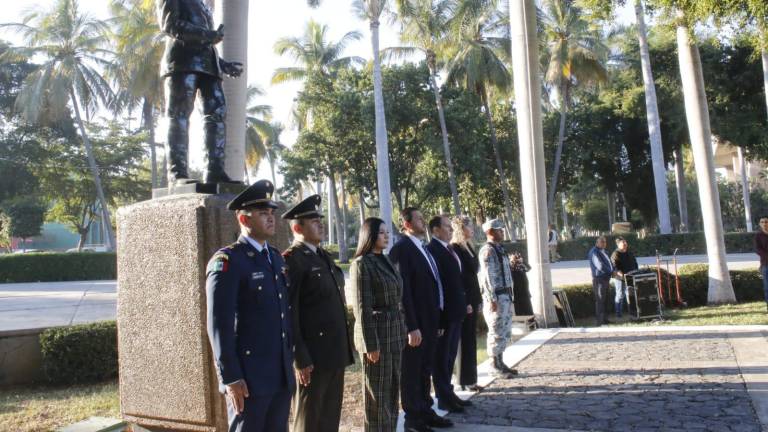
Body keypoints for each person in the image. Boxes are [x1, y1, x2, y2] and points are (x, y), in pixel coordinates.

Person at [205, 179, 293, 432]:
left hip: (279, 375)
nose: (270, 218)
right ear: (244, 220)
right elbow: (219, 324)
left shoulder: (275, 258)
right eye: (263, 213)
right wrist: (230, 377)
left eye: (271, 213)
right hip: (249, 379)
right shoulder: (229, 261)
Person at [282, 195, 354, 432]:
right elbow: (290, 313)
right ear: (297, 227)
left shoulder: (322, 256)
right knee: (308, 419)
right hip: (312, 357)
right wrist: (299, 357)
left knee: (329, 417)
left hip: (334, 352)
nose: (321, 224)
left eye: (320, 220)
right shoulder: (293, 260)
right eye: (313, 221)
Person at [158, 0, 243, 184]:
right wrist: (207, 35)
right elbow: (170, 25)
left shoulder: (204, 4)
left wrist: (224, 65)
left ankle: (214, 172)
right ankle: (177, 174)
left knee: (217, 114)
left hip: (209, 67)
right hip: (181, 62)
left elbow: (207, 44)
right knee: (178, 115)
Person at [389, 208, 451, 431]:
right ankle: (413, 419)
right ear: (406, 224)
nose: (423, 221)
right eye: (418, 218)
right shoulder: (401, 250)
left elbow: (434, 285)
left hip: (431, 322)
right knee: (412, 372)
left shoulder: (422, 247)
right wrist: (411, 326)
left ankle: (426, 410)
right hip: (416, 326)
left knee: (425, 370)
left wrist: (439, 320)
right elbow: (402, 293)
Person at [349, 218, 407, 432]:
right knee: (377, 397)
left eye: (387, 232)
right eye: (381, 232)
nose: (386, 235)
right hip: (377, 338)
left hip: (394, 335)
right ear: (369, 235)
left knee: (392, 392)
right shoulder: (361, 264)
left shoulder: (386, 260)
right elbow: (362, 308)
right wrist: (370, 344)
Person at [426, 215, 470, 413]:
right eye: (446, 226)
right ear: (435, 230)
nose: (451, 230)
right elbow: (438, 285)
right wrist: (441, 314)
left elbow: (457, 281)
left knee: (450, 355)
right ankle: (443, 397)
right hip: (445, 314)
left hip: (456, 311)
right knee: (442, 358)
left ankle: (449, 393)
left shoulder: (449, 248)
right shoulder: (432, 250)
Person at [478, 219, 517, 378]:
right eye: (498, 230)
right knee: (496, 330)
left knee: (504, 330)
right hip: (496, 297)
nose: (502, 232)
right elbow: (487, 278)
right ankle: (494, 365)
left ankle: (500, 362)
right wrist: (492, 299)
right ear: (490, 232)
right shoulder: (488, 250)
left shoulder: (499, 249)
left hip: (505, 295)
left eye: (502, 229)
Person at [450, 216, 482, 392]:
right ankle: (463, 379)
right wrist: (466, 302)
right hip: (465, 300)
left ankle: (470, 378)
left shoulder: (469, 246)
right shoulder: (455, 248)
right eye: (469, 227)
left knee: (470, 339)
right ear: (461, 229)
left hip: (473, 296)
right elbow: (459, 278)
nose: (472, 229)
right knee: (464, 340)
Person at [588, 236, 614, 326]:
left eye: (605, 242)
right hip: (599, 280)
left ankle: (605, 319)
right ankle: (600, 321)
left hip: (605, 279)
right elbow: (600, 266)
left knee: (606, 300)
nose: (604, 243)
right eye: (602, 242)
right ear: (597, 243)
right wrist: (612, 272)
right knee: (600, 300)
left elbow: (610, 264)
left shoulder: (604, 252)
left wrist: (614, 270)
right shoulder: (594, 252)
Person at [610, 237, 638, 319]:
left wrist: (637, 271)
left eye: (625, 242)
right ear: (618, 244)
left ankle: (632, 312)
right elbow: (614, 266)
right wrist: (620, 273)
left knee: (631, 294)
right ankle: (618, 314)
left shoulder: (629, 252)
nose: (625, 244)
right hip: (620, 278)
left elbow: (635, 263)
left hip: (630, 277)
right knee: (620, 295)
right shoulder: (615, 254)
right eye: (623, 243)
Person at [510, 252, 534, 316]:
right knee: (519, 313)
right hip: (516, 295)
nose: (516, 260)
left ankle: (531, 324)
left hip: (525, 293)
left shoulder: (521, 268)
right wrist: (512, 262)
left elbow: (528, 268)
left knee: (529, 312)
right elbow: (510, 269)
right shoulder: (510, 268)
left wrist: (522, 261)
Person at [754, 216, 768, 312]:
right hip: (766, 264)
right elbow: (757, 249)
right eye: (762, 222)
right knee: (767, 287)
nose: (764, 223)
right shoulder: (758, 236)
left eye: (766, 221)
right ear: (760, 224)